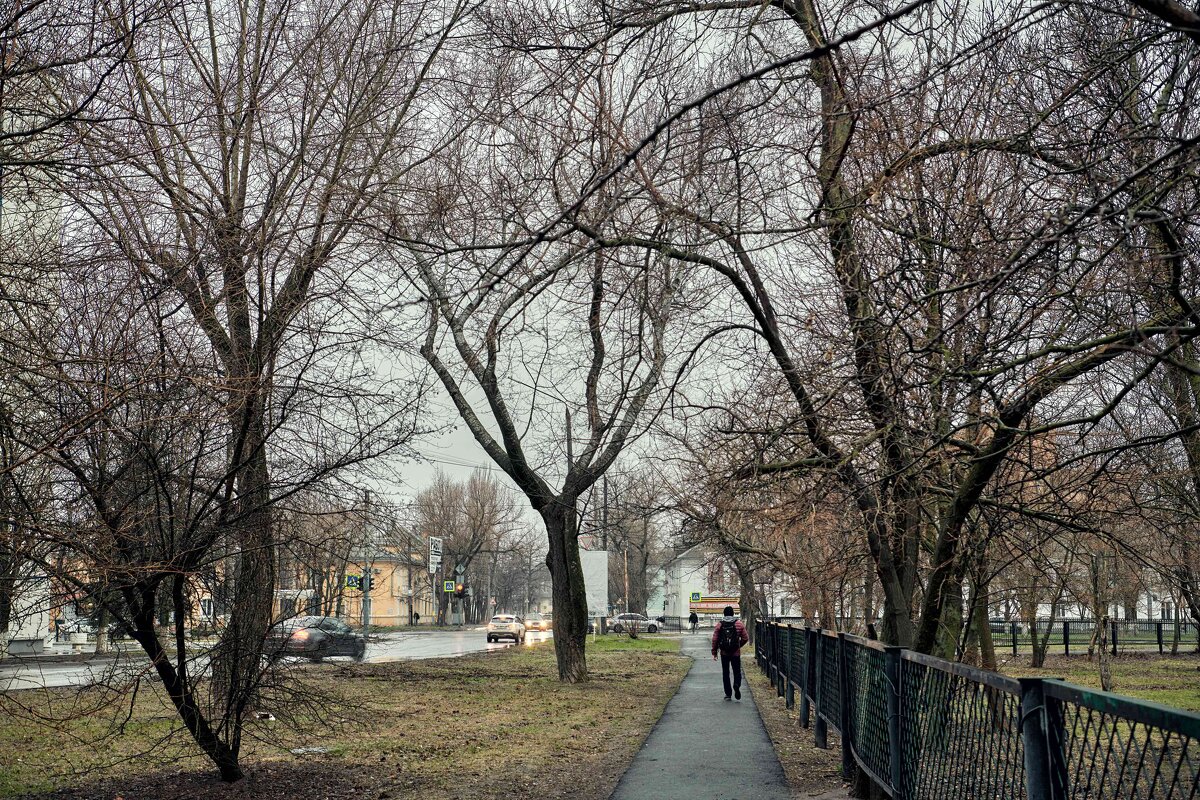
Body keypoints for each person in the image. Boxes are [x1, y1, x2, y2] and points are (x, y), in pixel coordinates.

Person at [711, 605, 749, 700]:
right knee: (737, 671)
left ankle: (728, 694)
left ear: (724, 614)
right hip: (735, 653)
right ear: (733, 614)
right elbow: (745, 638)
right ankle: (736, 684)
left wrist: (714, 652)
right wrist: (738, 645)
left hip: (724, 653)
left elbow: (715, 639)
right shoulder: (739, 624)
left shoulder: (720, 625)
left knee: (726, 673)